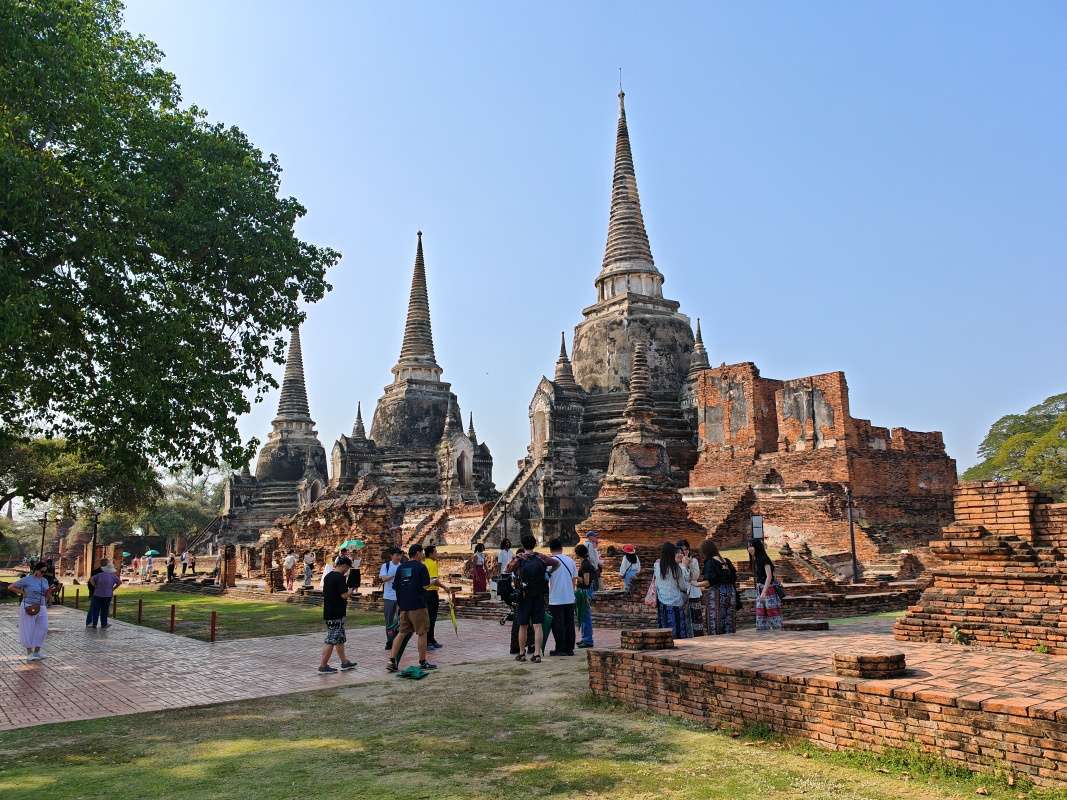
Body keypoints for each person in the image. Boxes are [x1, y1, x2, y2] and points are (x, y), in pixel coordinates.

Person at [388, 544, 451, 673]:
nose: (423, 555)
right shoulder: (421, 567)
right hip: (418, 606)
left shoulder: (401, 568)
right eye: (421, 553)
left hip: (404, 607)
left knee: (401, 633)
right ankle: (422, 661)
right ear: (417, 553)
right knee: (422, 633)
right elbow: (425, 586)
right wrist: (434, 582)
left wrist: (401, 604)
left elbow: (396, 588)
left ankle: (392, 661)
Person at [505, 534, 558, 662]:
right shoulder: (540, 557)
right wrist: (548, 574)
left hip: (523, 596)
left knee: (522, 626)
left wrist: (515, 557)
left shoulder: (520, 559)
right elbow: (556, 563)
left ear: (523, 545)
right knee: (537, 625)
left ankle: (522, 653)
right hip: (538, 595)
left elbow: (507, 570)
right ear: (534, 544)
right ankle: (537, 653)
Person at [319, 556, 357, 674]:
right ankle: (323, 665)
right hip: (336, 613)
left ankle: (344, 662)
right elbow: (344, 595)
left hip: (330, 611)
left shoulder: (328, 576)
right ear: (344, 565)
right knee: (331, 639)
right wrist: (352, 589)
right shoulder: (339, 578)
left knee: (339, 639)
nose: (347, 570)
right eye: (347, 567)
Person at [10, 562, 51, 661]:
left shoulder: (44, 580)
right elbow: (11, 587)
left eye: (45, 572)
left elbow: (46, 592)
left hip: (41, 606)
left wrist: (49, 596)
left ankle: (37, 652)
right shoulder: (28, 579)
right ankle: (29, 653)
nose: (43, 573)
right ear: (36, 570)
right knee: (28, 628)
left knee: (43, 628)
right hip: (29, 606)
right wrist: (23, 592)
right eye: (42, 571)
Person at [698, 539, 738, 635]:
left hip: (717, 593)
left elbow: (709, 581)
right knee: (729, 618)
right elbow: (733, 577)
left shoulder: (710, 562)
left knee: (716, 618)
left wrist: (695, 584)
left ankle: (717, 640)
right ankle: (730, 637)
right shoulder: (726, 561)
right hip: (730, 592)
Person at [654, 541, 692, 639]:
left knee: (665, 626)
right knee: (678, 627)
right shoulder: (676, 568)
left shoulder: (657, 566)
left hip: (662, 600)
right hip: (676, 601)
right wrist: (684, 566)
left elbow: (657, 584)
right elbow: (683, 585)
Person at [546, 538, 576, 656]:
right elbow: (574, 579)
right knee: (569, 623)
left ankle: (560, 648)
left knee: (558, 624)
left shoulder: (549, 562)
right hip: (569, 596)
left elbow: (546, 578)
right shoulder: (570, 560)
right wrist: (572, 593)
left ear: (550, 549)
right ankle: (569, 648)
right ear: (561, 548)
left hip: (556, 597)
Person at [749, 539, 783, 632]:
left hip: (768, 589)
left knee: (773, 614)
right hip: (760, 589)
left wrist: (764, 592)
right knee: (761, 615)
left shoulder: (764, 558)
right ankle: (763, 636)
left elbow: (769, 576)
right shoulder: (755, 559)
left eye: (751, 546)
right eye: (748, 547)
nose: (749, 549)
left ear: (757, 547)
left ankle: (779, 634)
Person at [86, 558, 122, 629]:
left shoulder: (99, 574)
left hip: (97, 594)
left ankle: (94, 624)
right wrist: (113, 588)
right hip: (108, 595)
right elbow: (119, 582)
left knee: (95, 610)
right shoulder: (113, 576)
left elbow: (91, 579)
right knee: (104, 610)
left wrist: (95, 586)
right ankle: (104, 624)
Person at [678, 539, 704, 635]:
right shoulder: (677, 563)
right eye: (682, 550)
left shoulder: (694, 561)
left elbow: (695, 576)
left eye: (686, 549)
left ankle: (698, 635)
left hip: (693, 591)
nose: (685, 552)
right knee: (684, 615)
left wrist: (688, 565)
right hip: (682, 592)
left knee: (696, 615)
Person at [379, 548, 402, 649]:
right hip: (389, 597)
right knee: (389, 620)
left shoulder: (402, 566)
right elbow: (384, 578)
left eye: (399, 555)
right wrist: (394, 575)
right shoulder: (386, 566)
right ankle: (389, 641)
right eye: (396, 555)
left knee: (400, 620)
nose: (398, 557)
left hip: (400, 597)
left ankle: (397, 640)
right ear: (391, 556)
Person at [574, 543, 596, 648]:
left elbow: (586, 582)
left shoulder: (585, 565)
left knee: (585, 616)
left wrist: (576, 577)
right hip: (583, 591)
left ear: (578, 554)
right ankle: (584, 638)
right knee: (582, 615)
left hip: (585, 591)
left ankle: (588, 640)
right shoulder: (585, 563)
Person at [423, 545, 443, 650]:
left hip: (425, 593)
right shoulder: (431, 564)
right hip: (431, 593)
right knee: (431, 618)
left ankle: (431, 639)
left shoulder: (424, 563)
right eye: (435, 552)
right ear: (430, 554)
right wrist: (445, 588)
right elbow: (434, 581)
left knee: (429, 618)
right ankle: (428, 641)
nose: (437, 554)